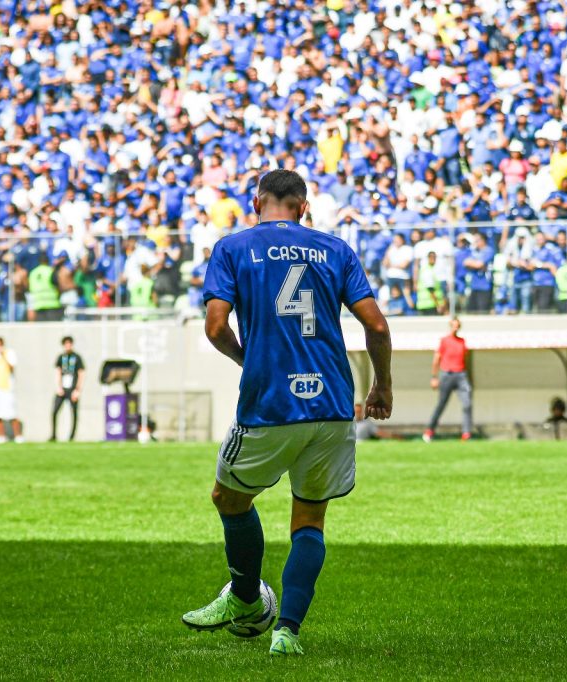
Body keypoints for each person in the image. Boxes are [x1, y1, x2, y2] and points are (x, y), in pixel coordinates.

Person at [181, 169, 393, 658]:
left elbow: (215, 328)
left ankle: (247, 600)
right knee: (310, 520)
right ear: (303, 206)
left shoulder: (233, 248)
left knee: (228, 499)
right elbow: (376, 326)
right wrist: (380, 387)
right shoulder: (335, 249)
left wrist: (246, 358)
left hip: (271, 400)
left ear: (257, 202)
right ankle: (287, 633)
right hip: (333, 403)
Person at [423, 317, 473, 442]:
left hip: (461, 375)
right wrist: (434, 377)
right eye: (454, 325)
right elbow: (436, 359)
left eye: (458, 325)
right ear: (450, 326)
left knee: (467, 404)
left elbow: (466, 360)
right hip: (447, 375)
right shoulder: (444, 341)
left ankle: (466, 434)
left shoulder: (462, 341)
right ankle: (429, 430)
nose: (456, 327)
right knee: (441, 404)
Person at [51, 335, 85, 442]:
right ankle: (53, 435)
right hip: (63, 388)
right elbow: (58, 372)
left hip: (73, 389)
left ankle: (72, 436)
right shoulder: (61, 357)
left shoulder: (77, 357)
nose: (68, 346)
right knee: (55, 411)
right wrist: (58, 387)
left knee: (74, 413)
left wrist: (78, 390)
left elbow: (81, 373)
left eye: (69, 343)